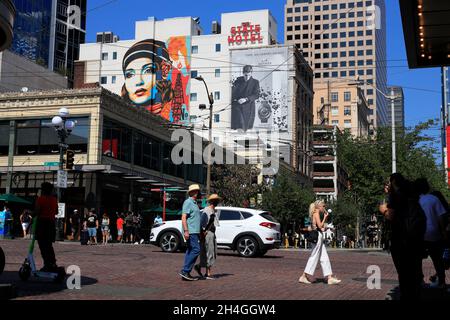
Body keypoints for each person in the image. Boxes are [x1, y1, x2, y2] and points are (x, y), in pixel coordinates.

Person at [379, 173, 425, 300]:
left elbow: (391, 216)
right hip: (414, 239)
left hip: (401, 240)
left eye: (389, 183)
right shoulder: (413, 197)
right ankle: (414, 293)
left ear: (394, 183)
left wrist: (383, 210)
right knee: (413, 271)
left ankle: (407, 295)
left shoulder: (397, 197)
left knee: (404, 272)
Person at [121, 39, 173, 120]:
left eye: (148, 70)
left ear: (165, 70)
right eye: (129, 75)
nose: (138, 82)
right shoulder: (121, 114)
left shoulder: (171, 110)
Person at [414, 178, 448, 289]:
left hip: (419, 234)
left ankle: (420, 280)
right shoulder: (434, 199)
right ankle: (442, 282)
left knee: (417, 259)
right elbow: (441, 216)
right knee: (437, 259)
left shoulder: (415, 200)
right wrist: (443, 231)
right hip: (434, 233)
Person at [299, 200, 341, 285]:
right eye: (323, 206)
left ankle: (329, 277)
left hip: (319, 236)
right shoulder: (316, 213)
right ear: (318, 206)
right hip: (317, 237)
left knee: (324, 257)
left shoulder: (315, 213)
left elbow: (321, 228)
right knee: (314, 256)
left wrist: (328, 227)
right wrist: (325, 217)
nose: (324, 208)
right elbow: (320, 226)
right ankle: (303, 276)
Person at [194, 194, 221, 280]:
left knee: (212, 252)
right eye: (215, 200)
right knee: (209, 252)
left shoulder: (213, 210)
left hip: (212, 233)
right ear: (212, 201)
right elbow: (202, 222)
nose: (217, 202)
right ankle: (207, 273)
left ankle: (199, 266)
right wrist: (204, 232)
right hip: (208, 233)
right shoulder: (207, 210)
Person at [34, 182, 59, 272]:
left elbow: (37, 211)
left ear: (43, 190)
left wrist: (33, 213)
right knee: (49, 245)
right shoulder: (54, 200)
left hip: (42, 223)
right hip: (51, 223)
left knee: (42, 245)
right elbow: (56, 212)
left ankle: (47, 264)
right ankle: (52, 263)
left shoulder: (40, 199)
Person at [179, 184, 202, 281]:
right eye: (195, 191)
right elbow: (183, 217)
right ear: (191, 192)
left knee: (190, 250)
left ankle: (186, 273)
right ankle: (185, 270)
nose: (196, 192)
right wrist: (186, 231)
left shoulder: (195, 203)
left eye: (197, 191)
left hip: (194, 231)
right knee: (196, 250)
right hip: (191, 231)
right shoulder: (188, 202)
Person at [231, 65, 260, 132]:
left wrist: (246, 99)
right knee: (238, 127)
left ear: (251, 73)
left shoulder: (255, 82)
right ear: (243, 73)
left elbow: (256, 95)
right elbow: (233, 93)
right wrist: (235, 99)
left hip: (248, 108)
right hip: (237, 107)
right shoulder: (238, 81)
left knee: (246, 128)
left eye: (248, 75)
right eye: (245, 75)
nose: (247, 77)